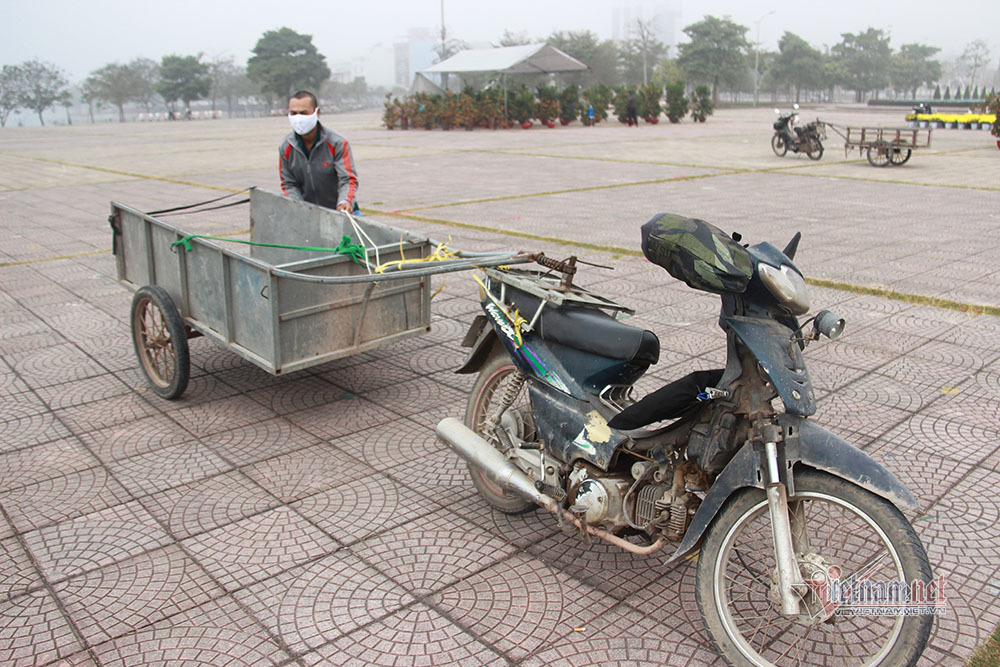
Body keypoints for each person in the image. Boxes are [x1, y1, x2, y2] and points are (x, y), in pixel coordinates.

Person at [279, 90, 359, 213]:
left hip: (339, 210)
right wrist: (299, 207)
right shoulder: (286, 147)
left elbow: (347, 179)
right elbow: (289, 184)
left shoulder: (337, 143)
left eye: (304, 113)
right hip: (307, 213)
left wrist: (345, 201)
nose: (298, 118)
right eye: (293, 113)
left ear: (317, 113)